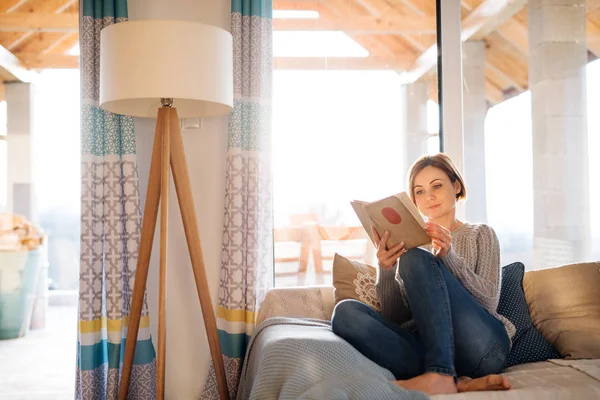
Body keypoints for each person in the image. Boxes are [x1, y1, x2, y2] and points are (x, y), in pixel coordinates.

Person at [331, 153, 515, 395]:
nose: (429, 196)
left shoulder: (481, 234)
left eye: (437, 186)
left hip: (483, 347)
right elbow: (396, 317)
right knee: (345, 313)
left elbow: (489, 301)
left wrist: (448, 257)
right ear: (413, 201)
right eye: (419, 191)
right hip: (428, 350)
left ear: (456, 186)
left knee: (415, 259)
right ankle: (453, 379)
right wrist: (386, 270)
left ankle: (441, 373)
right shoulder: (411, 247)